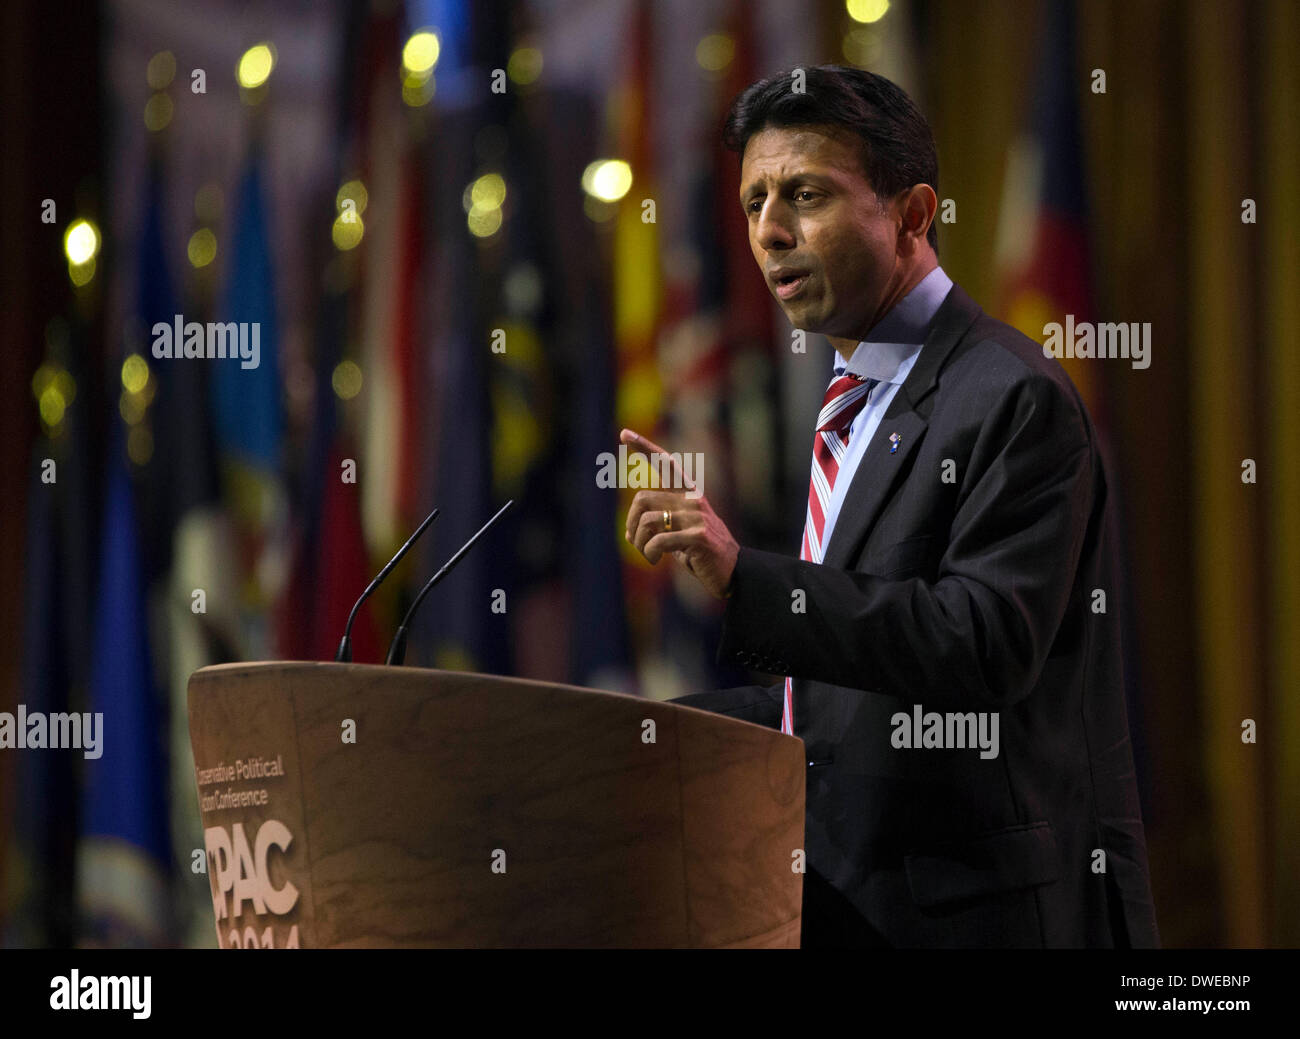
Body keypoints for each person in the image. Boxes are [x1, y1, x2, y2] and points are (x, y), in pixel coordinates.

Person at [621, 65, 1158, 948]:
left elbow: (982, 639)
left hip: (974, 921)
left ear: (911, 214)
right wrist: (644, 732)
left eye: (803, 194)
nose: (768, 231)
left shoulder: (1010, 395)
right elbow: (849, 700)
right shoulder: (853, 397)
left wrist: (750, 578)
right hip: (837, 909)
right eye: (754, 199)